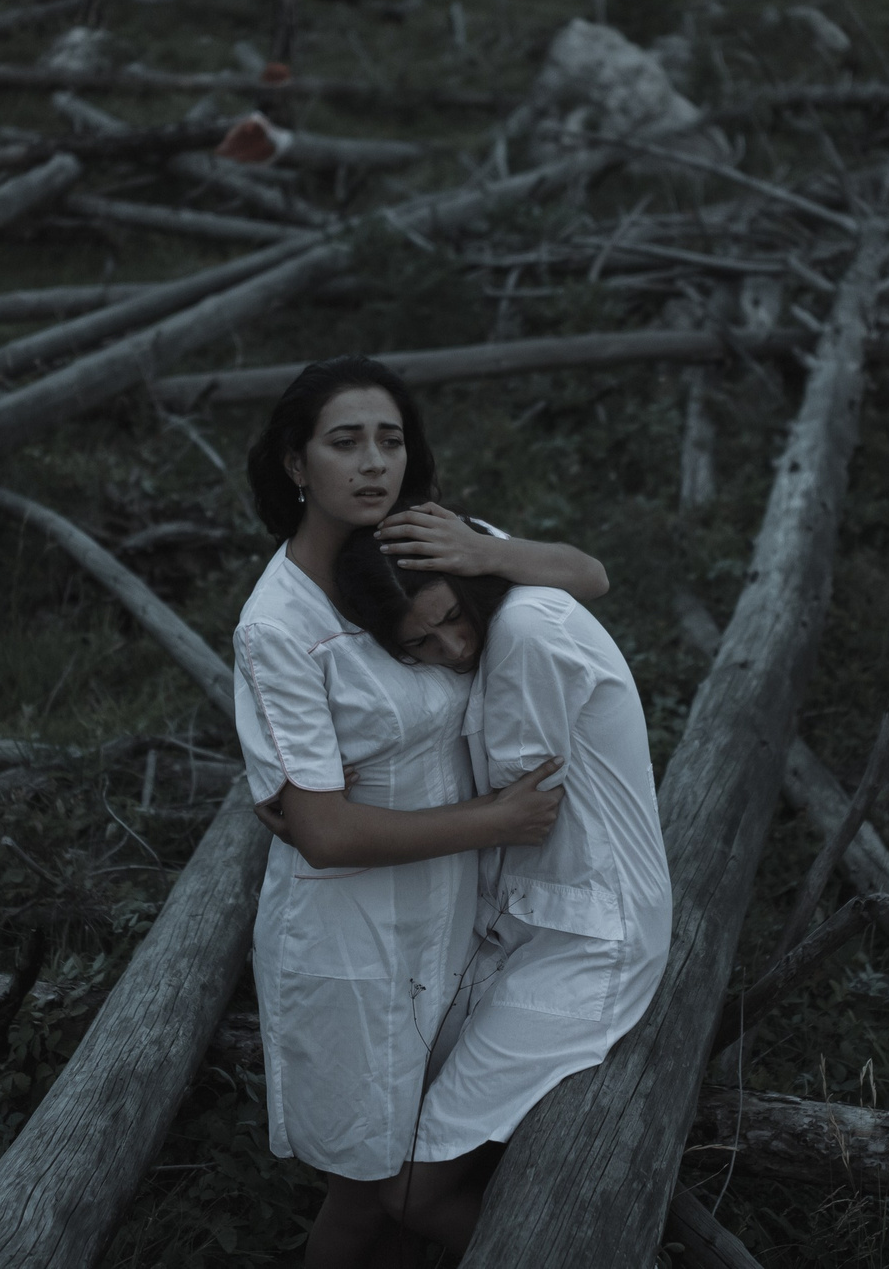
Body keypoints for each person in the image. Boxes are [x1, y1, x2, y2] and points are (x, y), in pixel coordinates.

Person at [230, 355, 608, 1269]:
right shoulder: (275, 626)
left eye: (390, 441)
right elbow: (320, 831)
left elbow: (589, 574)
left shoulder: (416, 540)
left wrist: (490, 553)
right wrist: (496, 821)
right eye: (345, 442)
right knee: (368, 1190)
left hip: (451, 918)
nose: (374, 464)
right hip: (351, 946)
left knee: (422, 1160)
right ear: (296, 463)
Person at [309, 523, 672, 1255]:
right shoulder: (480, 594)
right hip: (515, 920)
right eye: (419, 645)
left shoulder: (526, 635)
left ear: (469, 574)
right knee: (377, 1133)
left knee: (407, 1192)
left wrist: (338, 799)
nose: (451, 649)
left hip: (589, 933)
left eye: (450, 620)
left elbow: (517, 816)